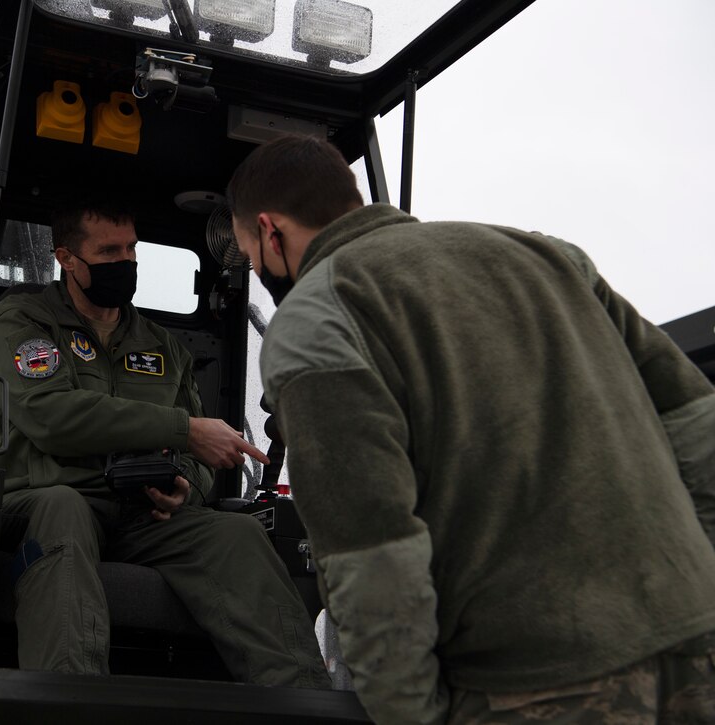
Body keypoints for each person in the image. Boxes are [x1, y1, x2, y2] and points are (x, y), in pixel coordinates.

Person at [226, 133, 715, 723]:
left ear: (269, 231)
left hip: (539, 683)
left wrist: (411, 715)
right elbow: (697, 425)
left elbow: (372, 558)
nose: (259, 269)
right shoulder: (547, 256)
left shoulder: (316, 317)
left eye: (250, 255)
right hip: (696, 639)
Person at [0, 196, 330, 688]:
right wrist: (182, 430)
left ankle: (304, 698)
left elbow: (201, 457)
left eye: (131, 249)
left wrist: (186, 486)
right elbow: (49, 415)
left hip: (141, 515)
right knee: (63, 507)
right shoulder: (24, 321)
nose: (125, 262)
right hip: (36, 503)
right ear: (66, 259)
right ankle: (70, 697)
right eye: (108, 252)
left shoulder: (162, 345)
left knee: (236, 533)